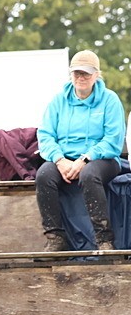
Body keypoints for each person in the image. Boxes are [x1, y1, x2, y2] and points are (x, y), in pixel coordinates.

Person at [35, 50, 126, 252]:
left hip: (102, 159)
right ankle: (55, 237)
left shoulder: (110, 100)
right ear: (70, 74)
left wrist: (85, 159)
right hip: (64, 159)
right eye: (77, 73)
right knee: (43, 175)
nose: (81, 77)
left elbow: (113, 140)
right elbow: (45, 135)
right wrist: (59, 160)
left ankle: (104, 239)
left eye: (86, 73)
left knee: (89, 174)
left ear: (96, 75)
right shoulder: (58, 101)